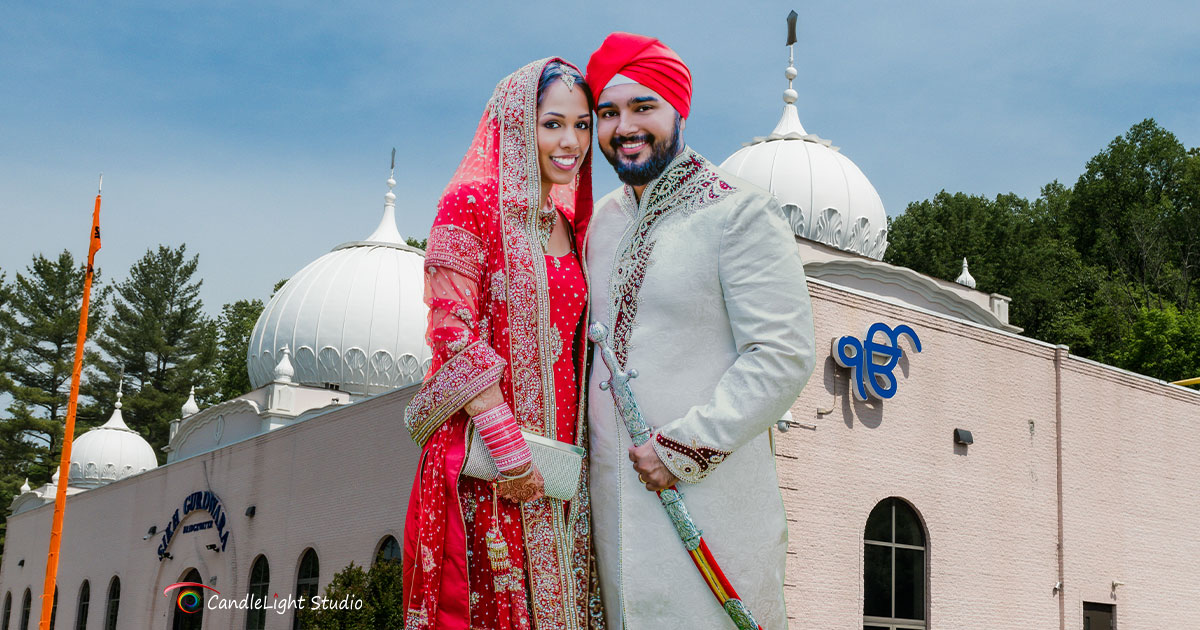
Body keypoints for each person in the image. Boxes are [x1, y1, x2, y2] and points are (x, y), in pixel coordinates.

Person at [583, 33, 816, 629]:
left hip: (707, 511)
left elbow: (781, 357)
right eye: (608, 113)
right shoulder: (600, 225)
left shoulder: (739, 214)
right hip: (610, 523)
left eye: (643, 107)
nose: (624, 127)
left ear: (677, 110)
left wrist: (680, 450)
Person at [402, 57, 603, 630]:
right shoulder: (470, 205)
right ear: (517, 124)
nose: (571, 142)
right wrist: (509, 450)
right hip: (489, 465)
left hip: (559, 464)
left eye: (583, 125)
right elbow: (454, 338)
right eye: (553, 124)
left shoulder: (568, 224)